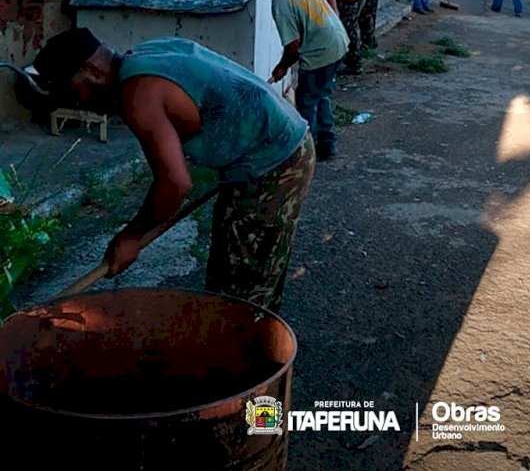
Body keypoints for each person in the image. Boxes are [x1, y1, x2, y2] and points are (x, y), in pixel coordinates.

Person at [31, 28, 316, 312]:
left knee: (240, 293)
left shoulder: (138, 94)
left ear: (91, 69)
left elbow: (175, 183)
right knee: (238, 270)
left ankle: (246, 350)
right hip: (269, 149)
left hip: (275, 162)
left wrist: (132, 236)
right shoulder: (148, 53)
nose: (78, 102)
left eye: (72, 90)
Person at [239, 0, 348, 161]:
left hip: (320, 52)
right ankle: (327, 145)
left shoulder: (280, 3)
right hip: (338, 40)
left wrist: (281, 68)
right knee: (321, 94)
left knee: (306, 102)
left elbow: (292, 47)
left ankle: (305, 152)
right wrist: (335, 14)